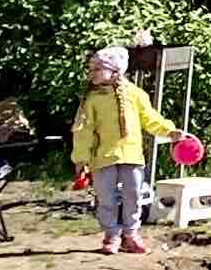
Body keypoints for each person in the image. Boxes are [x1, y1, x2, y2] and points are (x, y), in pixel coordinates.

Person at [69, 43, 179, 256]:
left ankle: (131, 234)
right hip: (103, 156)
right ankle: (111, 234)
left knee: (133, 195)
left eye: (97, 69)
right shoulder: (91, 100)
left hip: (131, 154)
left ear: (115, 71)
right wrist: (81, 159)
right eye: (91, 69)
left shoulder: (135, 94)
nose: (92, 74)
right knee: (106, 198)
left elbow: (151, 119)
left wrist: (170, 131)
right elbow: (84, 130)